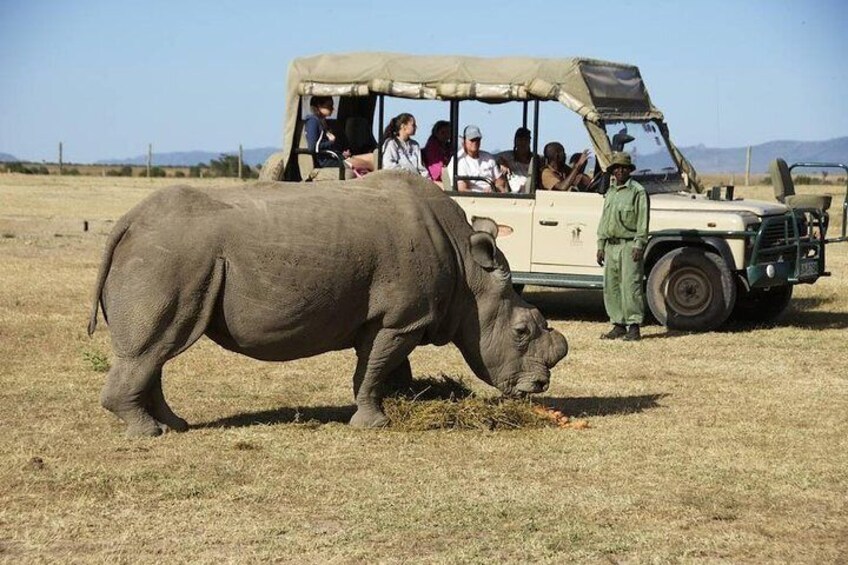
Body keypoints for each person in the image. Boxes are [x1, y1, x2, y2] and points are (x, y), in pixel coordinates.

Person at [596, 152, 649, 342]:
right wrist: (600, 245)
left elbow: (643, 221)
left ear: (629, 170)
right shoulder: (610, 191)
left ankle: (633, 326)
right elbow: (604, 220)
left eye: (623, 168)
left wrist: (639, 244)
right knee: (611, 287)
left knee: (631, 285)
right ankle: (618, 324)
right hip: (611, 245)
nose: (619, 171)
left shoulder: (638, 191)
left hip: (628, 245)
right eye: (616, 168)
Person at [303, 95, 374, 172]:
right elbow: (312, 148)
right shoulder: (312, 121)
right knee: (372, 162)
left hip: (336, 157)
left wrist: (342, 153)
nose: (333, 109)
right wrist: (330, 142)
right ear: (319, 106)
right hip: (328, 162)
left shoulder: (323, 122)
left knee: (373, 157)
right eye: (329, 106)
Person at [448, 125, 507, 193]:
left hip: (492, 196)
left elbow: (500, 181)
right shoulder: (458, 160)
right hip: (471, 199)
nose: (475, 142)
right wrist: (481, 194)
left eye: (477, 140)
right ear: (464, 141)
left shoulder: (489, 158)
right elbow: (462, 189)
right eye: (472, 140)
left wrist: (494, 188)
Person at [381, 113, 429, 178]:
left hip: (417, 182)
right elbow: (389, 166)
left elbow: (421, 168)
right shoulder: (391, 143)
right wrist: (408, 174)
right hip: (399, 180)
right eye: (413, 125)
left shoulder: (415, 145)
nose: (416, 127)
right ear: (403, 126)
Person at [496, 127, 537, 193]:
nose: (523, 143)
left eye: (526, 140)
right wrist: (501, 163)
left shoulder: (535, 159)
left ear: (529, 142)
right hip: (512, 194)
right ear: (515, 141)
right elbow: (491, 159)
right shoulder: (508, 156)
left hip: (530, 193)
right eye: (520, 139)